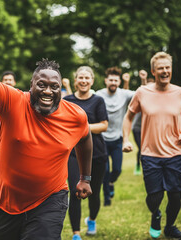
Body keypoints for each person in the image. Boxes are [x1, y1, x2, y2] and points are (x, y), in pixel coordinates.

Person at [0, 17, 93, 240]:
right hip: (5, 200)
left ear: (60, 89)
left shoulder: (75, 116)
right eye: (41, 85)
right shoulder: (13, 101)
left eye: (54, 86)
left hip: (50, 199)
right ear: (31, 86)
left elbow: (85, 139)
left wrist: (85, 177)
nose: (48, 91)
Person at [122, 52, 181, 239]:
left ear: (171, 69)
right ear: (154, 71)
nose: (165, 71)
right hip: (149, 153)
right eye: (160, 68)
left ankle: (170, 226)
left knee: (175, 196)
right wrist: (126, 139)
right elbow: (129, 117)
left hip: (176, 152)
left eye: (167, 67)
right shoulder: (142, 92)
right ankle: (156, 214)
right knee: (155, 197)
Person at [63, 66, 108, 240]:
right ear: (75, 81)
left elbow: (104, 125)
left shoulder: (98, 101)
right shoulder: (67, 100)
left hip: (96, 154)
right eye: (80, 78)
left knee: (94, 193)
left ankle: (92, 220)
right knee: (75, 191)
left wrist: (83, 127)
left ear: (92, 81)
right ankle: (76, 233)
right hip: (73, 154)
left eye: (87, 78)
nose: (83, 81)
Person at [96, 67, 134, 206]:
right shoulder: (98, 95)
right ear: (106, 81)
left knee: (117, 169)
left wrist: (142, 79)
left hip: (117, 139)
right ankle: (106, 197)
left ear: (119, 82)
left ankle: (111, 182)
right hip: (102, 140)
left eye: (115, 80)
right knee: (104, 171)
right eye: (110, 80)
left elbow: (142, 94)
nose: (113, 82)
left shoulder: (124, 94)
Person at [131, 70, 152, 175]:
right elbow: (144, 90)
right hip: (137, 128)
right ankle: (139, 166)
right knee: (142, 148)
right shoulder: (142, 97)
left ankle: (146, 166)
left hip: (148, 129)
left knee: (146, 148)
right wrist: (143, 79)